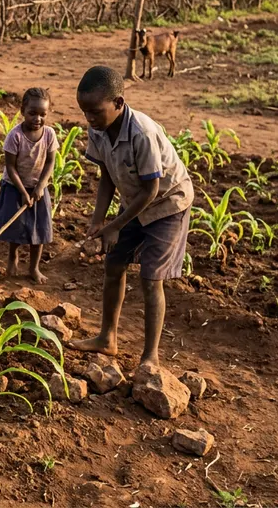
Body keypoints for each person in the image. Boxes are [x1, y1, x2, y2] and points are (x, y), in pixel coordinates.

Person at [71, 66, 194, 371]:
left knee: (151, 279)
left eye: (95, 111)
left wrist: (115, 226)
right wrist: (98, 222)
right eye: (84, 111)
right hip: (135, 203)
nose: (89, 118)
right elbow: (106, 177)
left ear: (118, 103)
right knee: (114, 265)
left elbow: (151, 190)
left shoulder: (142, 133)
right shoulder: (98, 129)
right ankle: (107, 338)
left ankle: (150, 355)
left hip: (167, 204)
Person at [0, 87, 58, 283]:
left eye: (42, 114)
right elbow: (10, 167)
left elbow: (50, 162)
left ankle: (34, 267)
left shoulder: (49, 134)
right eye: (32, 113)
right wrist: (22, 191)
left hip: (38, 188)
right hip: (15, 187)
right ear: (23, 111)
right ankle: (12, 257)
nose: (37, 118)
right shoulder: (15, 136)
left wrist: (40, 186)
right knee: (16, 226)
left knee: (40, 229)